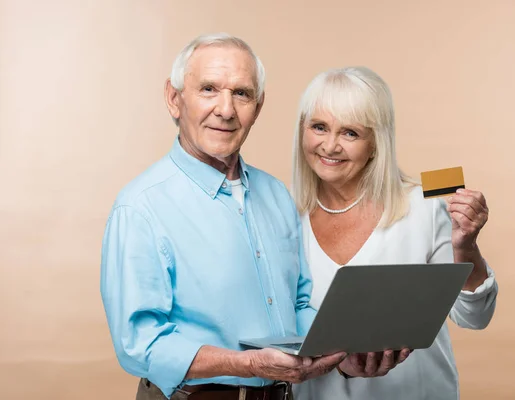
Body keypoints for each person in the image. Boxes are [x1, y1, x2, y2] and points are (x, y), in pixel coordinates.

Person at [100, 34, 410, 400]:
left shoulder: (276, 195)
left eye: (242, 94)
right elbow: (140, 344)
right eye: (209, 89)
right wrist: (244, 365)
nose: (226, 110)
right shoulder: (140, 207)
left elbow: (298, 306)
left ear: (258, 107)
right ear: (174, 99)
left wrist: (342, 358)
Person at [290, 66, 499, 400]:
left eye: (350, 133)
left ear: (376, 143)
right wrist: (339, 363)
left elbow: (475, 317)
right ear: (303, 130)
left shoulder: (423, 208)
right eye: (319, 127)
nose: (330, 146)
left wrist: (467, 246)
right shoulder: (284, 219)